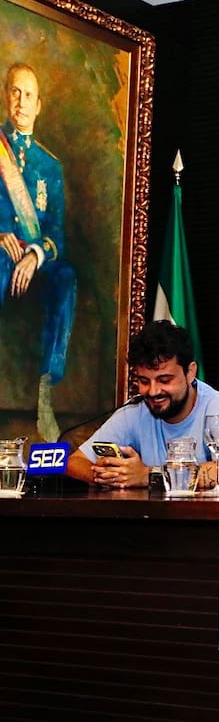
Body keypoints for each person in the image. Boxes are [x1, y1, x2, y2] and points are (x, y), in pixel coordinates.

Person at [66, 320, 219, 489]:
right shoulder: (136, 410)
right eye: (144, 381)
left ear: (190, 372)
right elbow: (75, 462)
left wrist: (147, 476)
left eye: (164, 380)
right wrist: (112, 476)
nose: (153, 391)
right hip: (168, 525)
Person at [0, 63, 77, 442]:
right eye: (15, 91)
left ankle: (45, 392)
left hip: (33, 260)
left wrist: (34, 254)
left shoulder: (51, 166)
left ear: (39, 104)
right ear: (4, 96)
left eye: (28, 94)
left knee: (65, 278)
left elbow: (57, 233)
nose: (21, 101)